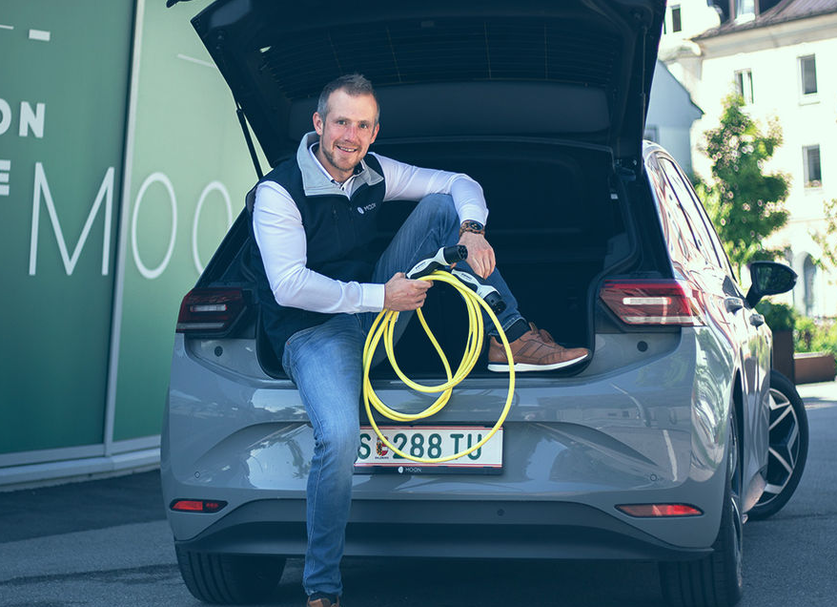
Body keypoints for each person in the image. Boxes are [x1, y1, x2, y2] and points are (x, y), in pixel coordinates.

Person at [248, 74, 590, 607]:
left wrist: (471, 229)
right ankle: (321, 590)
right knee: (337, 438)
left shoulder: (374, 172)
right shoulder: (279, 191)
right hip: (312, 332)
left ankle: (513, 338)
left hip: (375, 309)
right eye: (341, 122)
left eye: (363, 125)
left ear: (375, 131)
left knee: (440, 209)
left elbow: (459, 183)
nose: (350, 135)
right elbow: (289, 285)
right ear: (318, 124)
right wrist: (379, 297)